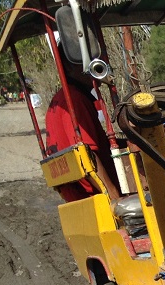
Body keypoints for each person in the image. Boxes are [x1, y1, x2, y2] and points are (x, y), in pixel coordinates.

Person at [44, 57, 120, 201]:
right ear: (68, 65)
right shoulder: (74, 99)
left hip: (77, 195)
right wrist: (113, 196)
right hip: (94, 196)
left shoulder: (61, 99)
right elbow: (87, 152)